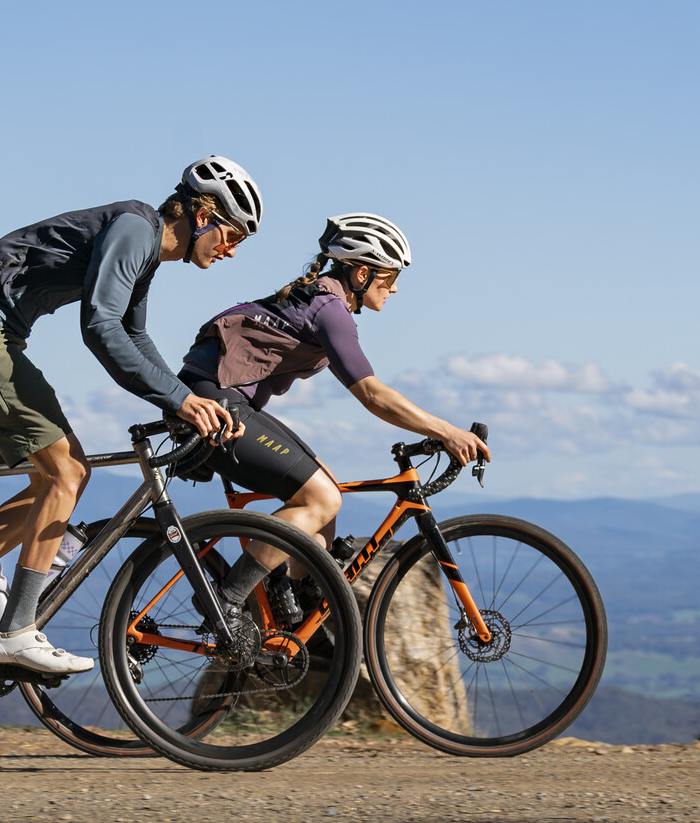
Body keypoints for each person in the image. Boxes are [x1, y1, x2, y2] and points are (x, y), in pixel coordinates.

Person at [0, 156, 262, 675]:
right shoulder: (137, 230)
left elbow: (134, 336)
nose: (231, 250)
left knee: (52, 480)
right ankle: (15, 631)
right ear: (203, 215)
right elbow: (101, 327)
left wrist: (182, 397)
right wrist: (181, 401)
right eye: (233, 236)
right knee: (67, 472)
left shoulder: (144, 248)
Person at [174, 212, 489, 622]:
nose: (394, 289)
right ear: (361, 273)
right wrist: (446, 431)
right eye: (389, 279)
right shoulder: (330, 309)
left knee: (324, 485)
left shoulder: (319, 299)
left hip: (222, 401)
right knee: (321, 497)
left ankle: (303, 602)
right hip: (214, 406)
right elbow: (372, 394)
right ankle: (227, 598)